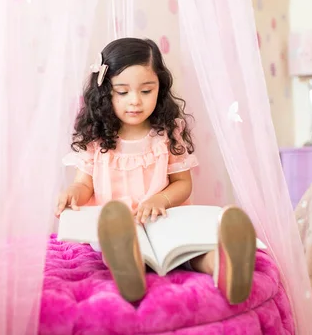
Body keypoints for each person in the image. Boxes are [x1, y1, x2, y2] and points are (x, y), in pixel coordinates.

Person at [55, 37, 257, 304]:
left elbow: (183, 183)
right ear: (106, 92)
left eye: (146, 91)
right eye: (123, 92)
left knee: (188, 250)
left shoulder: (167, 133)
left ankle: (223, 265)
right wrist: (72, 194)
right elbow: (84, 185)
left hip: (164, 218)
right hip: (120, 226)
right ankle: (131, 271)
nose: (135, 101)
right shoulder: (97, 138)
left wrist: (159, 200)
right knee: (119, 243)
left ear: (159, 88)